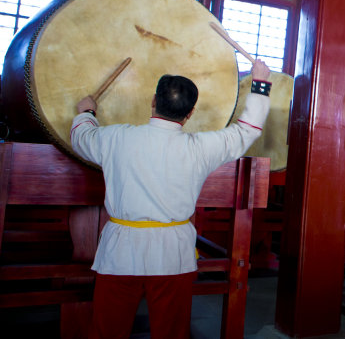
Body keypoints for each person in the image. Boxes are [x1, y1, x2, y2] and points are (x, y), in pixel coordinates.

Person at [71, 59, 272, 339]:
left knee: (107, 330)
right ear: (190, 113)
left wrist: (86, 112)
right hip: (172, 252)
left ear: (153, 101)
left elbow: (81, 136)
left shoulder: (115, 138)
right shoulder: (201, 148)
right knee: (172, 331)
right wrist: (260, 84)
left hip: (120, 251)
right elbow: (246, 130)